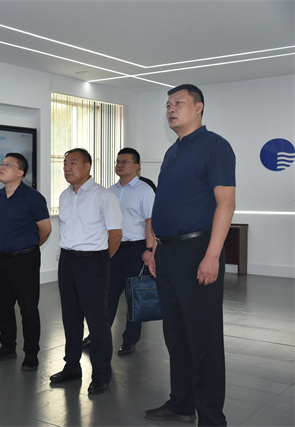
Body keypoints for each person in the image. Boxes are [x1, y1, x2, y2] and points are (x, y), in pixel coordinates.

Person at [145, 84, 235, 425]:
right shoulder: (173, 151)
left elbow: (226, 204)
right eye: (168, 104)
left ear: (199, 107)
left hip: (198, 250)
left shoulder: (215, 146)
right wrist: (155, 247)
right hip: (167, 252)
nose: (171, 109)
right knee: (176, 334)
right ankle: (181, 403)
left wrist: (212, 255)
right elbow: (165, 203)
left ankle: (211, 417)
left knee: (203, 337)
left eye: (178, 103)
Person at [50, 148, 122, 395]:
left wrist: (100, 262)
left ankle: (101, 374)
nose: (67, 167)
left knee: (97, 320)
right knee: (70, 318)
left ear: (87, 166)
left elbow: (115, 235)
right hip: (67, 261)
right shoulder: (64, 195)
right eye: (65, 163)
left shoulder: (104, 196)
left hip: (93, 261)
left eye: (73, 162)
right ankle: (72, 367)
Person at [81, 148, 156, 355]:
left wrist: (149, 249)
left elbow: (151, 221)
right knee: (107, 295)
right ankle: (97, 335)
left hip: (136, 249)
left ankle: (130, 339)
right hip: (112, 248)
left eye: (125, 161)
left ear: (137, 166)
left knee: (134, 296)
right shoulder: (109, 192)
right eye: (118, 161)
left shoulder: (145, 190)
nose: (120, 165)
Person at [0, 153, 51, 371]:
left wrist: (29, 247)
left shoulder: (33, 197)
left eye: (8, 164)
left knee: (28, 308)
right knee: (2, 306)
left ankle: (31, 353)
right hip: (1, 259)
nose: (2, 167)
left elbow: (45, 229)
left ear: (20, 173)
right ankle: (7, 347)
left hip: (25, 260)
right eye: (1, 163)